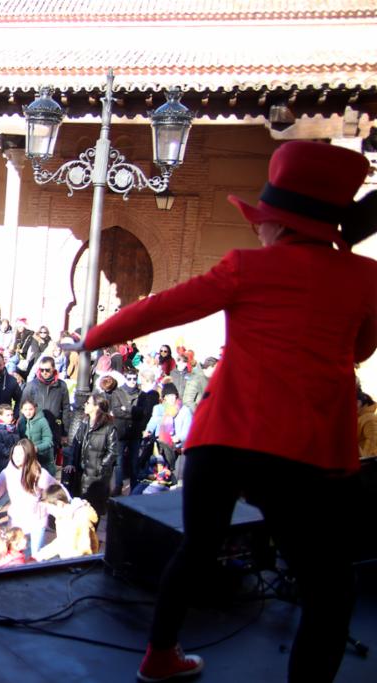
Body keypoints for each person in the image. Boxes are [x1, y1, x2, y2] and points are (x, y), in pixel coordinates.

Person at [74, 141, 377, 682]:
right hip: (306, 451)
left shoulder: (244, 267)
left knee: (196, 549)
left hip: (226, 439)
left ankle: (159, 656)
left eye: (262, 221)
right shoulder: (364, 277)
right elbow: (359, 351)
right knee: (329, 591)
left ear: (278, 226)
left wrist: (94, 337)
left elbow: (161, 307)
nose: (257, 229)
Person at [63, 394, 117, 520]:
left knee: (93, 509)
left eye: (88, 403)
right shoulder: (84, 422)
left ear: (97, 407)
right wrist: (71, 462)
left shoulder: (108, 427)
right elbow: (76, 443)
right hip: (81, 472)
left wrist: (100, 466)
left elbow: (113, 451)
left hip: (96, 475)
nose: (85, 405)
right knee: (79, 505)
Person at [33, 484, 99, 562]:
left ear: (59, 504)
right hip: (68, 560)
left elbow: (85, 548)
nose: (49, 512)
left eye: (49, 508)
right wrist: (38, 556)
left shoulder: (78, 518)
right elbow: (62, 541)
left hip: (76, 563)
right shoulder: (62, 516)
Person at [18, 399, 55, 478]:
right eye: (25, 409)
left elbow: (49, 441)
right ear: (21, 410)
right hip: (28, 459)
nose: (28, 412)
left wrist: (37, 448)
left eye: (30, 409)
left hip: (44, 459)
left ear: (34, 409)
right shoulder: (21, 422)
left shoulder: (42, 421)